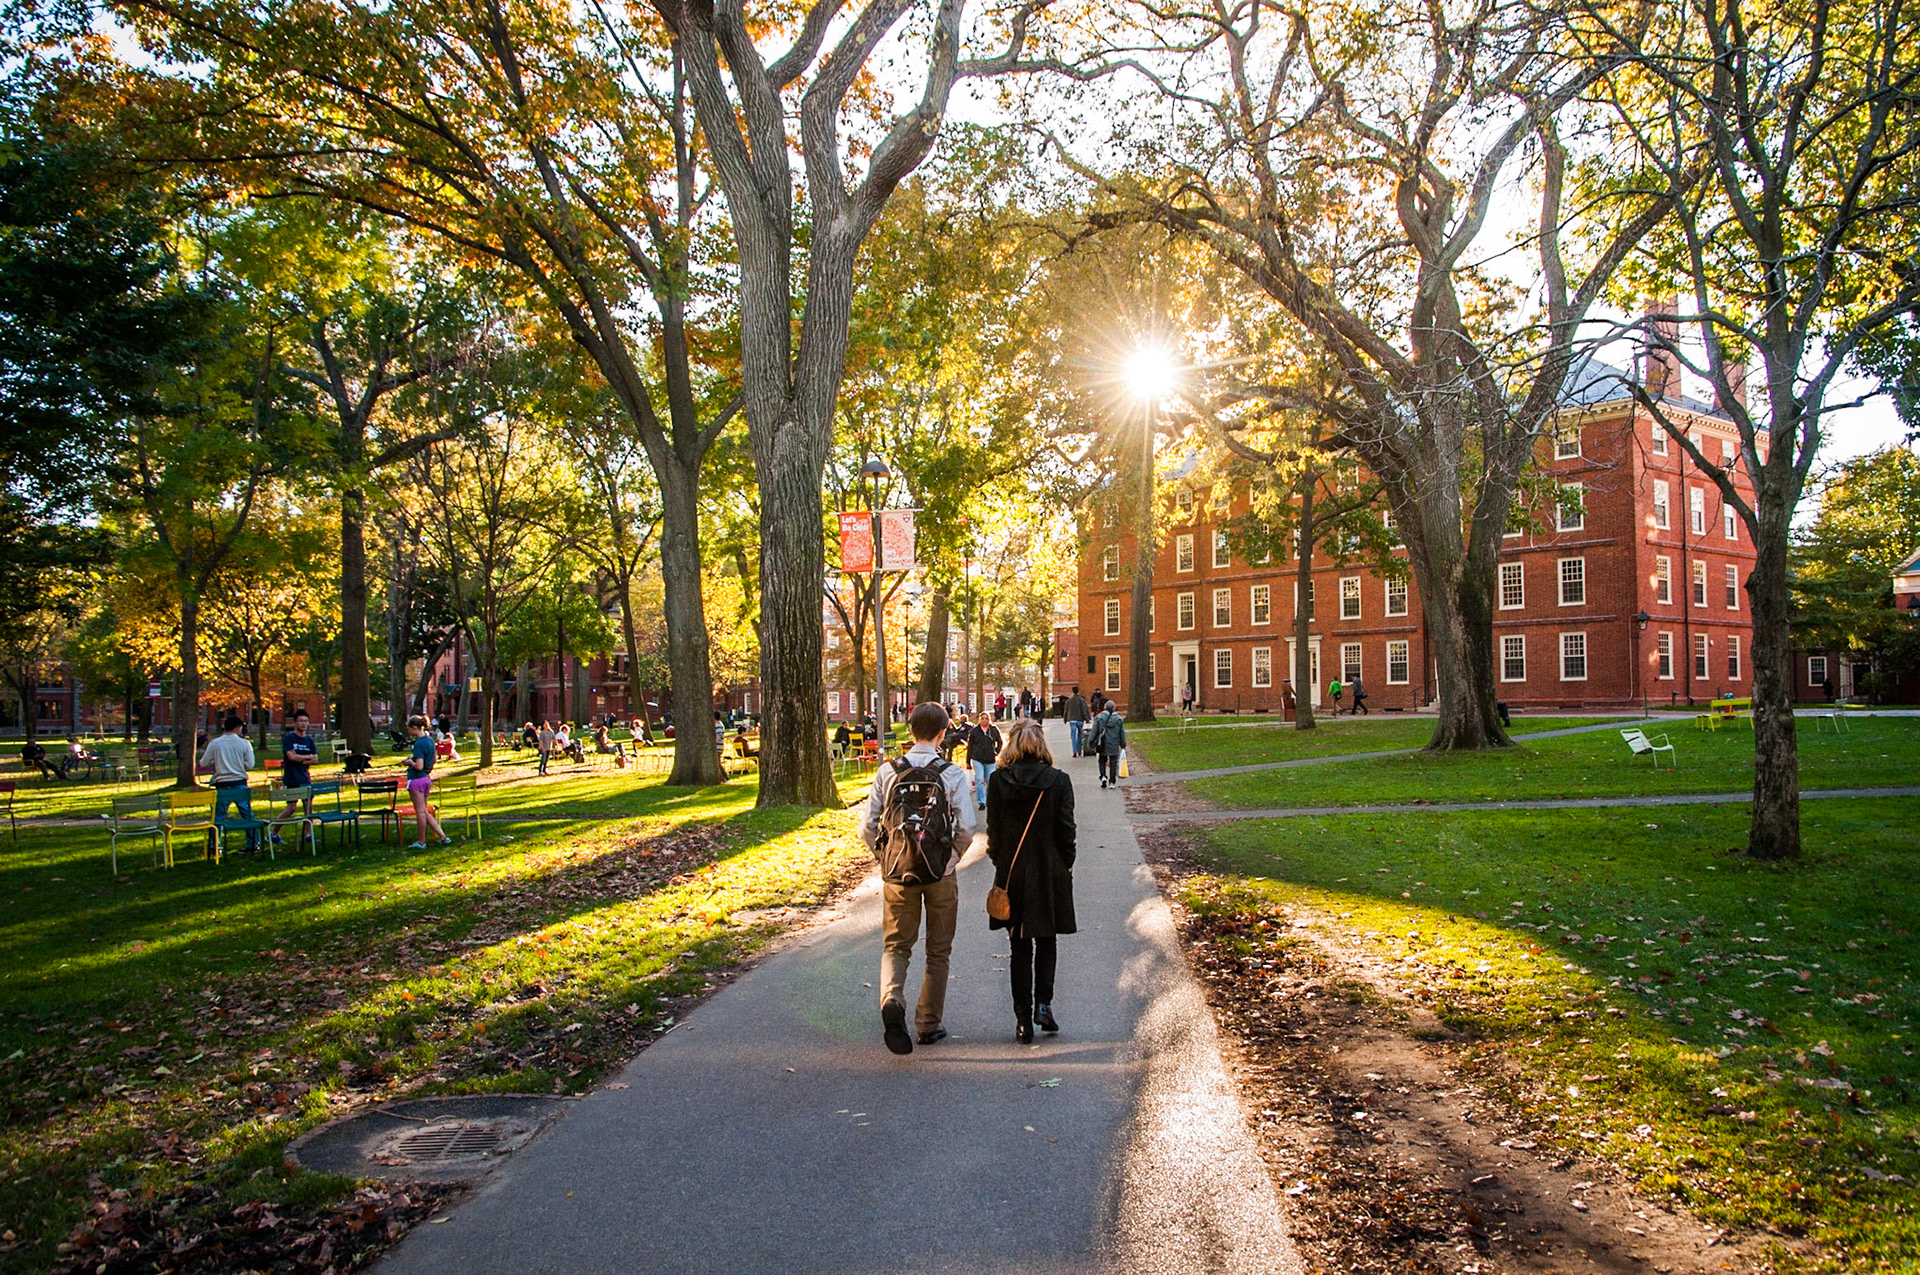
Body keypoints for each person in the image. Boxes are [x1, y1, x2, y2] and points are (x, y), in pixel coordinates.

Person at [858, 702, 976, 1054]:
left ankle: (891, 997)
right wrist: (951, 860)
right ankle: (928, 1023)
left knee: (896, 945)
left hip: (898, 872)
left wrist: (885, 857)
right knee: (938, 950)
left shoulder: (887, 772)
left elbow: (867, 825)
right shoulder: (951, 774)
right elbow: (967, 827)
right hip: (940, 871)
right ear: (943, 733)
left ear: (910, 732)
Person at [986, 719, 1077, 1043]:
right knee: (1047, 940)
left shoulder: (998, 782)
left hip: (1012, 871)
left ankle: (1022, 1019)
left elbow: (993, 832)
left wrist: (1000, 862)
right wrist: (1065, 865)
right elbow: (1067, 831)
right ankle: (1044, 1005)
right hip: (1049, 870)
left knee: (1019, 945)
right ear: (1040, 745)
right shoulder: (1059, 781)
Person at [200, 715, 260, 853]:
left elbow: (203, 763)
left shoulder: (215, 743)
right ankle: (253, 843)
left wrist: (217, 762)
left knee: (218, 816)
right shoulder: (244, 743)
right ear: (238, 728)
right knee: (247, 814)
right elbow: (250, 765)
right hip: (239, 782)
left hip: (222, 782)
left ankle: (214, 845)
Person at [403, 713, 450, 849]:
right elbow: (433, 758)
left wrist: (409, 762)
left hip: (416, 779)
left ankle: (421, 841)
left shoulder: (418, 743)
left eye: (409, 729)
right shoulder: (429, 740)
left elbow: (418, 765)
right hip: (426, 778)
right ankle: (442, 836)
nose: (409, 731)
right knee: (424, 810)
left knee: (420, 812)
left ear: (414, 727)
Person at [275, 708, 319, 842]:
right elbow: (291, 757)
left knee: (308, 808)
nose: (303, 724)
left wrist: (300, 757)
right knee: (291, 807)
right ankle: (274, 833)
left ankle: (308, 834)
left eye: (305, 721)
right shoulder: (289, 739)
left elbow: (316, 759)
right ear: (295, 723)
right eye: (300, 721)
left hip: (305, 777)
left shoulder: (309, 740)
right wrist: (307, 757)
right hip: (292, 778)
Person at [965, 710, 1003, 811]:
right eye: (982, 718)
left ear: (989, 720)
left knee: (990, 780)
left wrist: (996, 751)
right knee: (979, 779)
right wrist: (968, 761)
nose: (984, 720)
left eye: (986, 718)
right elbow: (970, 746)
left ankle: (990, 799)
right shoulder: (974, 731)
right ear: (979, 720)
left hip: (990, 759)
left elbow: (1000, 742)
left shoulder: (993, 730)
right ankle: (982, 801)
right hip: (978, 759)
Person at [1088, 699, 1126, 789]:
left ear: (1105, 707)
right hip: (1114, 743)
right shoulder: (1118, 719)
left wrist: (1090, 742)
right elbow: (1122, 733)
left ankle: (1103, 776)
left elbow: (1094, 732)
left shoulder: (1099, 718)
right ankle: (1112, 782)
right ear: (1114, 708)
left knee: (1102, 760)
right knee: (1113, 762)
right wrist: (1123, 744)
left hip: (1102, 743)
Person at [1064, 686, 1090, 757]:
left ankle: (1074, 751)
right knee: (1080, 735)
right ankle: (1079, 751)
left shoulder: (1069, 700)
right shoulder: (1081, 700)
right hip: (1080, 719)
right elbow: (1084, 710)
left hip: (1072, 720)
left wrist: (1065, 719)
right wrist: (1087, 718)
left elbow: (1066, 710)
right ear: (1078, 691)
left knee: (1073, 735)